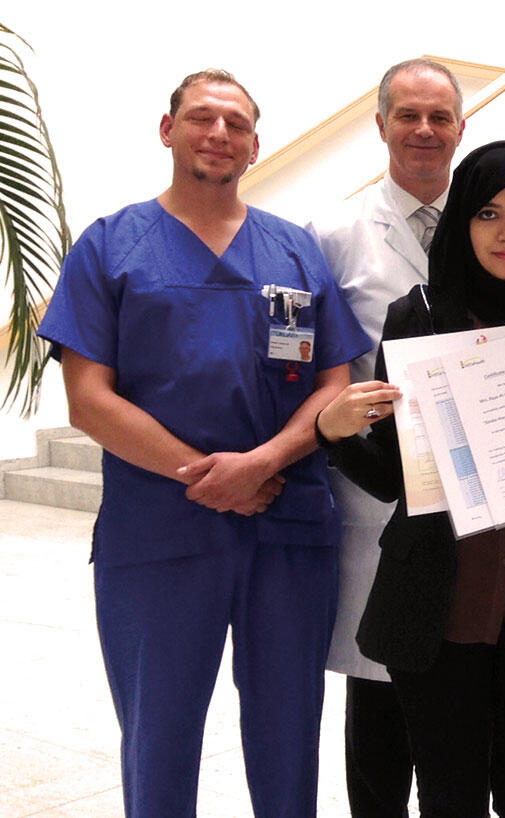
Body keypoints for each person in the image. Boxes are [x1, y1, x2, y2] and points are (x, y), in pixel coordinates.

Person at [37, 69, 372, 817]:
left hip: (285, 525)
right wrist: (206, 476)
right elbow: (89, 399)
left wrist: (259, 465)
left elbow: (333, 384)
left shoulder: (295, 252)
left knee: (289, 737)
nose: (218, 133)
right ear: (168, 130)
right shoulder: (110, 246)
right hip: (160, 532)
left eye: (236, 123)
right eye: (201, 118)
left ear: (256, 145)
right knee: (159, 734)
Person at [317, 140, 505, 816]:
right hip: (438, 611)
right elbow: (400, 478)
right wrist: (331, 437)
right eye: (487, 213)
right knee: (447, 797)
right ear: (462, 221)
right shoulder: (417, 319)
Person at [307, 56, 465, 818]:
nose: (425, 131)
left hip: (473, 507)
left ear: (462, 128)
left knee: (456, 740)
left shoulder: (493, 229)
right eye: (408, 115)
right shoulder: (333, 236)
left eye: (440, 117)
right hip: (377, 508)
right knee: (377, 732)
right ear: (380, 126)